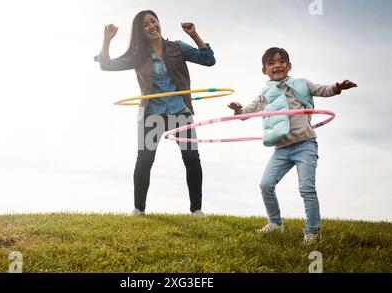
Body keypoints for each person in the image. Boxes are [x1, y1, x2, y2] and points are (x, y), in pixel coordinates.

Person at [228, 47, 357, 244]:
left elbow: (323, 89)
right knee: (265, 184)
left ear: (289, 66)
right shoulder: (265, 93)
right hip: (281, 148)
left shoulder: (301, 84)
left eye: (281, 61)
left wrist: (338, 87)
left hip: (305, 144)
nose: (277, 65)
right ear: (264, 70)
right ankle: (275, 224)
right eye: (271, 63)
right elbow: (248, 113)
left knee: (306, 188)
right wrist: (238, 110)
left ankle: (312, 232)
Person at [95, 10, 216, 216]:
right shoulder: (137, 55)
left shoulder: (177, 47)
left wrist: (194, 35)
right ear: (140, 32)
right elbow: (106, 65)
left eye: (153, 21)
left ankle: (196, 210)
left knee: (191, 159)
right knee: (144, 160)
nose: (151, 26)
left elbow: (209, 60)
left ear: (159, 22)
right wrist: (106, 41)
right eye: (145, 25)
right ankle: (139, 209)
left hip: (180, 112)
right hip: (152, 114)